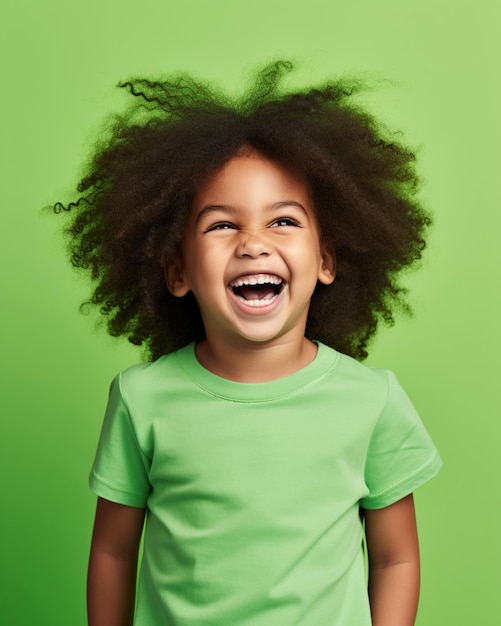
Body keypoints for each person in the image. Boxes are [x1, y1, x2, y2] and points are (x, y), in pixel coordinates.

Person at [55, 60, 442, 626]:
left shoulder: (372, 399)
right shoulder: (143, 398)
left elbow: (396, 558)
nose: (254, 244)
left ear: (327, 259)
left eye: (283, 221)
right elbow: (113, 552)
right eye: (221, 225)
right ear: (177, 269)